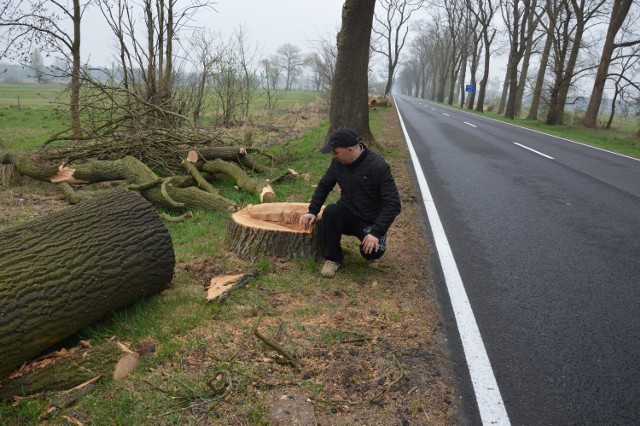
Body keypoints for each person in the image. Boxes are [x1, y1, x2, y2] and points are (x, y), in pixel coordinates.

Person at [299, 127, 401, 278]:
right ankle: (333, 259)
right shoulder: (338, 163)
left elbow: (393, 204)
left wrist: (376, 232)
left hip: (370, 222)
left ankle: (374, 244)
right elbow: (324, 186)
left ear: (350, 149)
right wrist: (312, 211)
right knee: (331, 211)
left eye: (336, 152)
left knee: (372, 253)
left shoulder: (377, 166)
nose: (334, 156)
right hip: (347, 213)